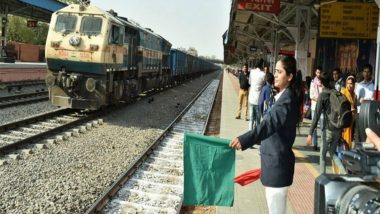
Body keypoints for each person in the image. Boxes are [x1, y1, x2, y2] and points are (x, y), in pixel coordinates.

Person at [230, 56, 302, 214]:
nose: (275, 75)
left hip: (277, 167)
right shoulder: (283, 97)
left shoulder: (286, 101)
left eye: (279, 72)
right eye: (275, 71)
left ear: (289, 76)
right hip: (274, 166)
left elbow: (267, 125)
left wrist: (245, 139)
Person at [306, 71, 346, 174]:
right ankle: (343, 172)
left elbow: (316, 116)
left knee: (322, 154)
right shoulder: (335, 92)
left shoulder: (323, 95)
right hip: (338, 128)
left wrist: (310, 133)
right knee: (332, 152)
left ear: (321, 82)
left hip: (328, 129)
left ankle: (322, 178)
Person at [310, 66, 326, 151]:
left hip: (323, 108)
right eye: (317, 72)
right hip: (314, 107)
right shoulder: (313, 83)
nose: (318, 74)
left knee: (323, 126)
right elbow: (311, 95)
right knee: (314, 126)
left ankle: (323, 144)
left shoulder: (323, 83)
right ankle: (315, 144)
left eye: (320, 72)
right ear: (315, 73)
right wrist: (319, 100)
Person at [248, 59, 266, 130]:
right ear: (262, 65)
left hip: (251, 98)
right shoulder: (263, 74)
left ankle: (249, 133)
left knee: (251, 118)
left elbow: (249, 82)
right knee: (258, 119)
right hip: (259, 99)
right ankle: (257, 135)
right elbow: (264, 85)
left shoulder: (252, 72)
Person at [341, 75, 357, 149]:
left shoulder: (354, 95)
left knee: (349, 136)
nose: (349, 85)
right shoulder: (343, 92)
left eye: (351, 83)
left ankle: (346, 152)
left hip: (351, 120)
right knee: (343, 136)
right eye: (348, 83)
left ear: (354, 85)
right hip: (343, 119)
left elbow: (355, 106)